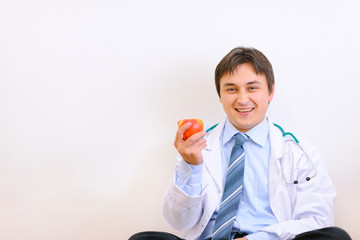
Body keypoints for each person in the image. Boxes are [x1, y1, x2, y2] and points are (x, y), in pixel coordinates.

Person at [129, 47, 351, 240]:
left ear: (270, 92)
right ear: (220, 95)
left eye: (252, 88)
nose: (242, 99)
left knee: (335, 237)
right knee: (142, 239)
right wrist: (192, 166)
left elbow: (317, 220)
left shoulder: (299, 151)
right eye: (231, 89)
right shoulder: (196, 147)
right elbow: (181, 222)